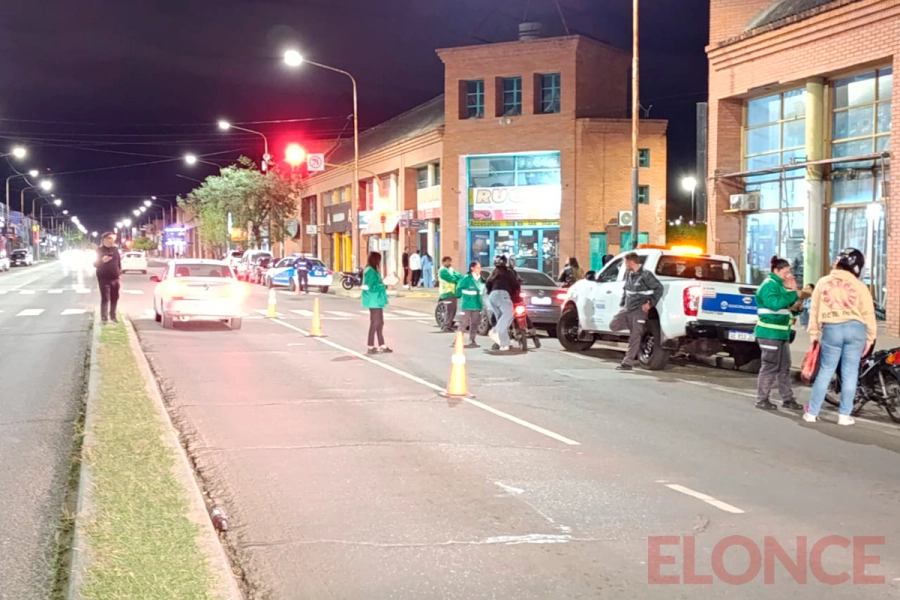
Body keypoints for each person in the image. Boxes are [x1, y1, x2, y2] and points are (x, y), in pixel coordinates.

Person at [804, 248, 876, 426]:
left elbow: (814, 310)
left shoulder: (823, 282)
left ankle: (812, 413)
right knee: (850, 373)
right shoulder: (860, 286)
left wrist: (813, 334)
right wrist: (870, 338)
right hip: (856, 329)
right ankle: (844, 416)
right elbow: (869, 313)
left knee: (826, 371)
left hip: (832, 328)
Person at [754, 256, 811, 411]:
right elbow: (775, 304)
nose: (788, 276)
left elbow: (783, 308)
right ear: (776, 271)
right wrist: (796, 295)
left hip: (780, 333)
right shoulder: (769, 285)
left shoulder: (778, 285)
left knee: (784, 368)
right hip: (769, 333)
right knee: (770, 367)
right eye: (785, 273)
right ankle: (762, 399)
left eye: (789, 273)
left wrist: (795, 309)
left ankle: (787, 399)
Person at [609, 252, 664, 371]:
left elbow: (659, 288)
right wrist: (623, 303)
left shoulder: (645, 275)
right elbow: (626, 289)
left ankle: (627, 363)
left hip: (639, 310)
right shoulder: (629, 273)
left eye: (625, 262)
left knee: (635, 337)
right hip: (627, 308)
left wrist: (650, 303)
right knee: (614, 325)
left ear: (631, 262)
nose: (625, 264)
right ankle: (638, 329)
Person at [485, 256, 521, 352]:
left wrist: (490, 293)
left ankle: (504, 344)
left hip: (492, 296)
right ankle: (494, 331)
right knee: (508, 315)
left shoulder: (494, 273)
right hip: (503, 294)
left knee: (501, 319)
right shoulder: (509, 273)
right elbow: (516, 285)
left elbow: (487, 284)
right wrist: (516, 292)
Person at [361, 251, 392, 355]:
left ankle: (381, 344)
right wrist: (384, 285)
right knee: (375, 323)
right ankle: (370, 346)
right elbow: (370, 286)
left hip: (377, 300)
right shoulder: (370, 271)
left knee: (380, 323)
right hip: (373, 300)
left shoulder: (373, 270)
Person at [94, 232, 122, 324]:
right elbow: (95, 264)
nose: (112, 240)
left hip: (115, 277)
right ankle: (104, 317)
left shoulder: (115, 250)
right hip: (104, 277)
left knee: (115, 297)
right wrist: (102, 260)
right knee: (105, 297)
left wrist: (119, 273)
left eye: (113, 239)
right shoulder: (99, 250)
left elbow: (118, 262)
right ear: (104, 239)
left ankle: (113, 315)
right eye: (110, 238)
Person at [456, 262, 484, 348]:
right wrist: (460, 296)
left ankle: (472, 339)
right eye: (477, 267)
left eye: (480, 267)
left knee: (475, 323)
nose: (479, 269)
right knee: (463, 323)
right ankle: (458, 340)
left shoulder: (481, 279)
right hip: (467, 304)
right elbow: (459, 288)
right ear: (472, 268)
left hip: (477, 305)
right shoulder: (466, 278)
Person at [438, 256, 461, 332]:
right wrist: (457, 279)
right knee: (449, 311)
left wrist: (459, 278)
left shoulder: (450, 269)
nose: (449, 263)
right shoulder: (442, 271)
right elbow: (451, 279)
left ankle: (448, 325)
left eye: (450, 261)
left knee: (453, 310)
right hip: (446, 293)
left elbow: (458, 276)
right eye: (447, 261)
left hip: (453, 293)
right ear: (443, 262)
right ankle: (446, 326)